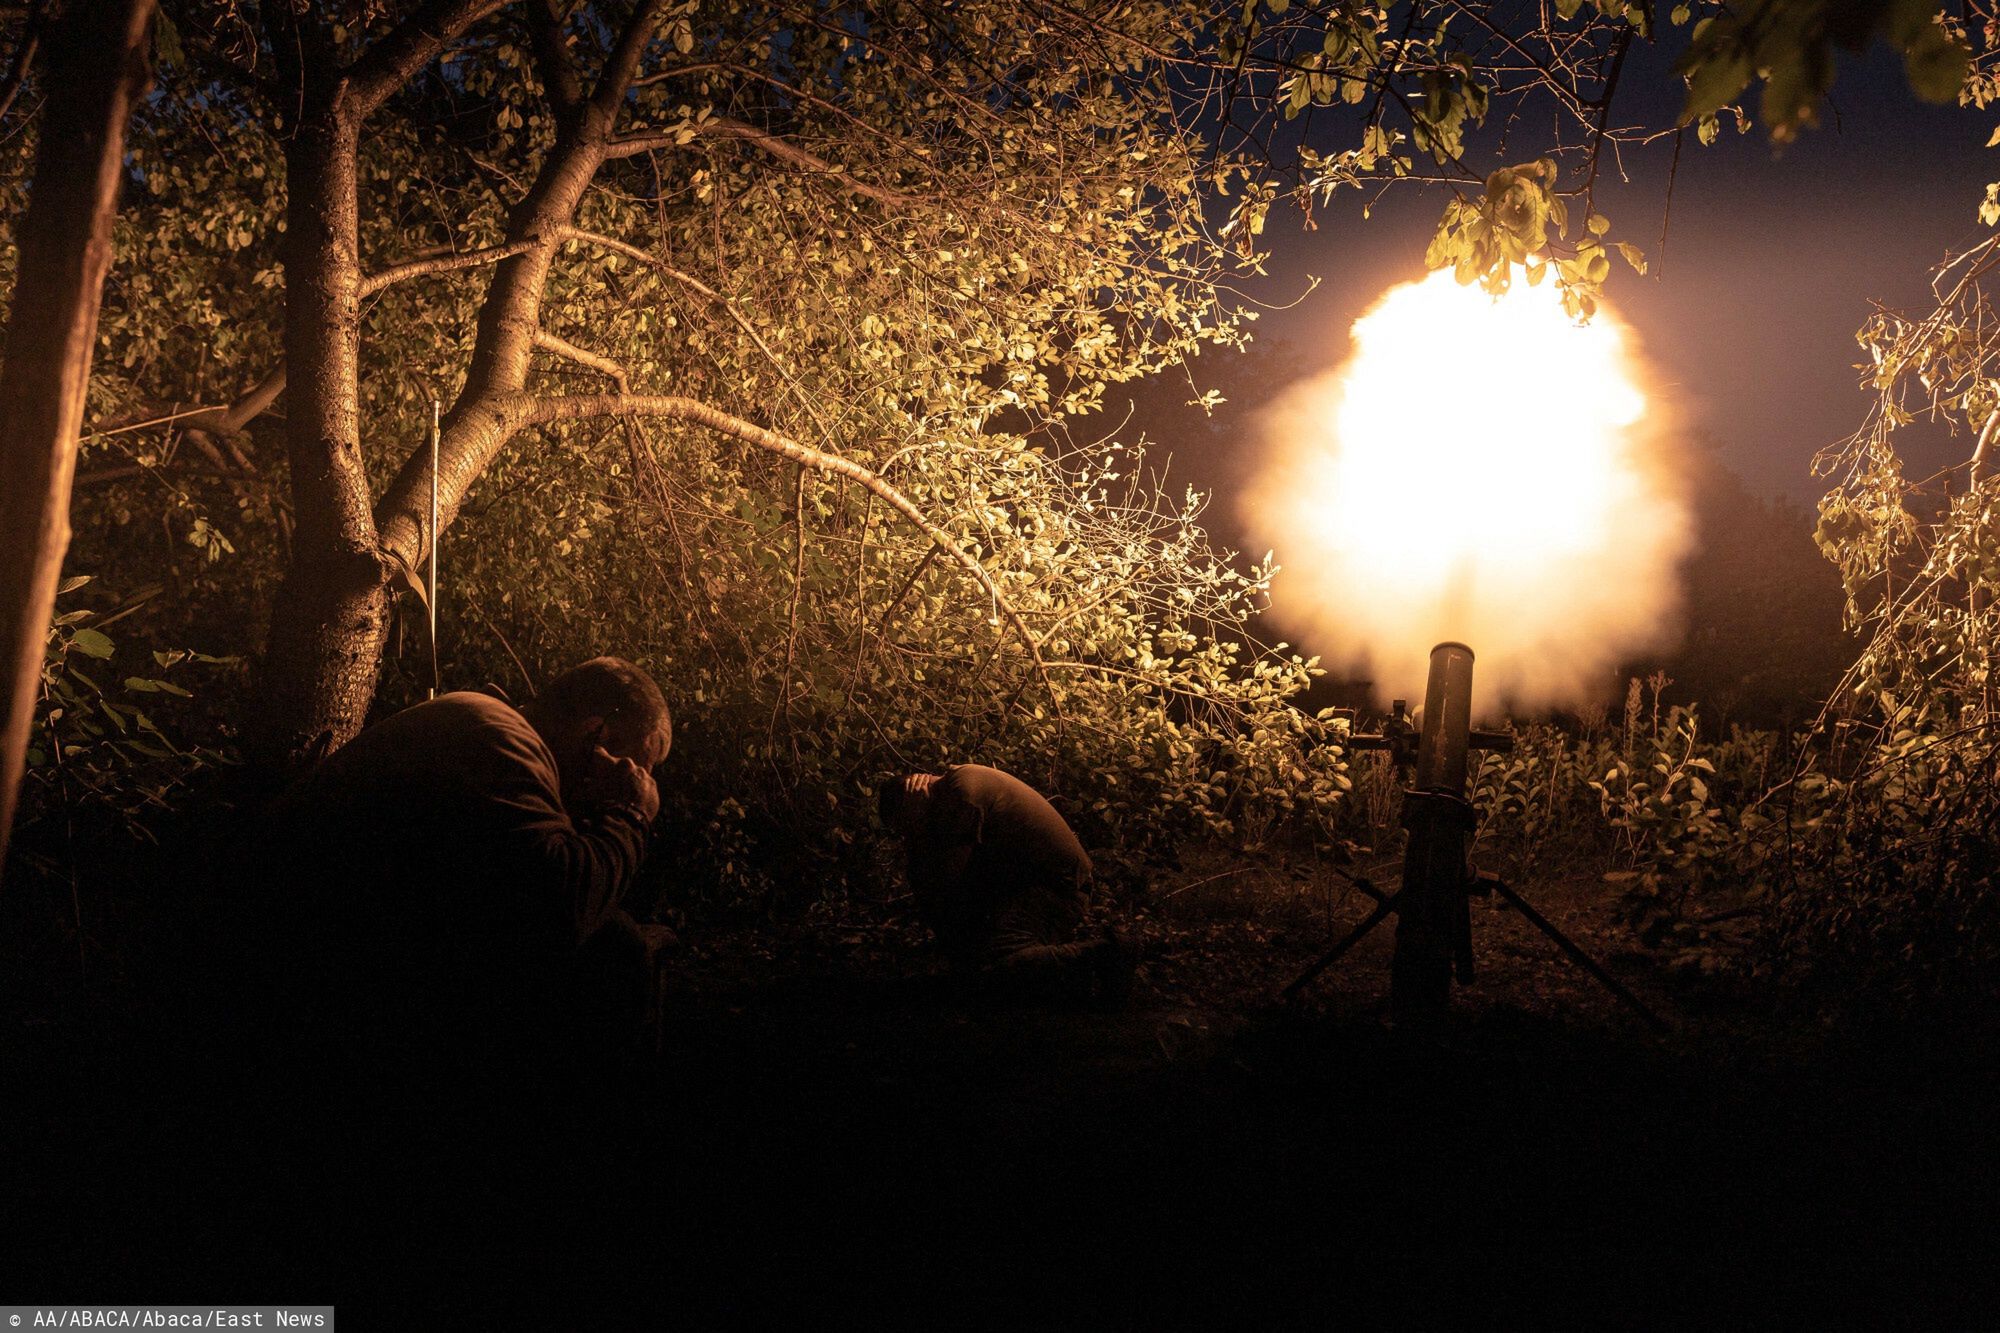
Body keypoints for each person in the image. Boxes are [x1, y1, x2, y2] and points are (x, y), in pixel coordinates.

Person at [247, 656, 673, 1065]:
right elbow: (555, 909)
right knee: (616, 953)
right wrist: (630, 814)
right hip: (288, 967)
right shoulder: (497, 737)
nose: (631, 782)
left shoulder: (489, 728)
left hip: (319, 945)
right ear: (598, 737)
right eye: (634, 769)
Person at [879, 763, 1133, 1005]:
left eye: (903, 826)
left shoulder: (963, 796)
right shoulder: (956, 786)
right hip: (1027, 887)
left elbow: (942, 887)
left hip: (1058, 890)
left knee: (996, 966)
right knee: (972, 963)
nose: (905, 834)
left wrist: (916, 836)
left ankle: (1103, 955)